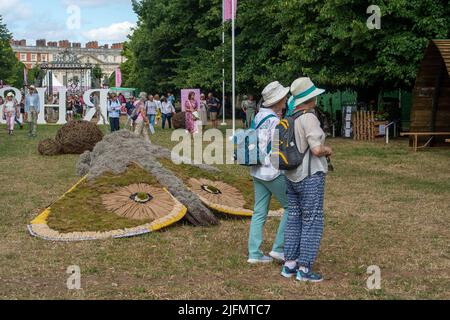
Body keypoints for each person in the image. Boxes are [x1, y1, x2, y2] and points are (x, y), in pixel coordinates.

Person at [281, 77, 333, 282]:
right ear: (310, 97)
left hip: (291, 175)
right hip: (310, 175)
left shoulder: (290, 117)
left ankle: (289, 264)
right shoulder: (309, 118)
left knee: (294, 218)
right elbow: (317, 149)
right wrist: (329, 149)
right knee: (312, 220)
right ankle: (304, 269)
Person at [248, 81, 290, 264]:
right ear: (278, 100)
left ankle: (254, 253)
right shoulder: (275, 121)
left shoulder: (259, 117)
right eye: (284, 97)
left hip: (257, 170)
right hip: (272, 172)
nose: (286, 99)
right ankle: (279, 249)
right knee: (292, 207)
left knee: (259, 212)